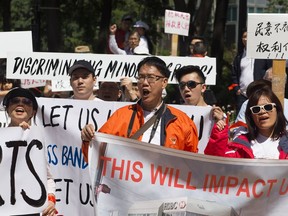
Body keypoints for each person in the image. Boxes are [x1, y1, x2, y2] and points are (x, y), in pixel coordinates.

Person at [81, 56, 199, 162]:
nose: (145, 83)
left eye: (151, 78)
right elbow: (94, 157)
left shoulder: (182, 122)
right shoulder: (121, 116)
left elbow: (192, 167)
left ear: (164, 82)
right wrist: (87, 140)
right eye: (141, 77)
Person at [3, 87, 57, 215]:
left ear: (33, 112)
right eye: (15, 100)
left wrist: (50, 200)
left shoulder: (36, 140)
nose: (20, 104)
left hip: (28, 210)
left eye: (27, 102)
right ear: (7, 109)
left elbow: (48, 177)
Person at [205, 87, 288, 159]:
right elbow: (216, 166)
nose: (262, 112)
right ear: (250, 116)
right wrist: (219, 136)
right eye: (256, 109)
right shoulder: (239, 146)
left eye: (268, 107)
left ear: (277, 110)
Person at [230, 28, 272, 115]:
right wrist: (237, 88)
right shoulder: (239, 57)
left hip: (260, 93)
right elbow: (234, 74)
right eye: (244, 37)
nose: (246, 39)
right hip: (242, 94)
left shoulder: (263, 55)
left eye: (248, 36)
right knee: (241, 118)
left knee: (258, 115)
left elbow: (270, 70)